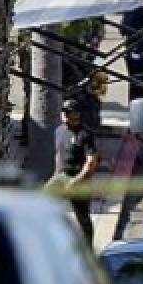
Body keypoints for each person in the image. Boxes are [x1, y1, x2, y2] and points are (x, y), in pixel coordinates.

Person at [46, 98, 100, 243]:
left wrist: (76, 181)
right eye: (63, 112)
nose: (64, 115)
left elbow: (91, 162)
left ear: (76, 114)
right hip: (62, 176)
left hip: (80, 180)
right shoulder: (59, 131)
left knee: (82, 217)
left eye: (68, 112)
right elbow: (58, 154)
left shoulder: (85, 135)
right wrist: (56, 174)